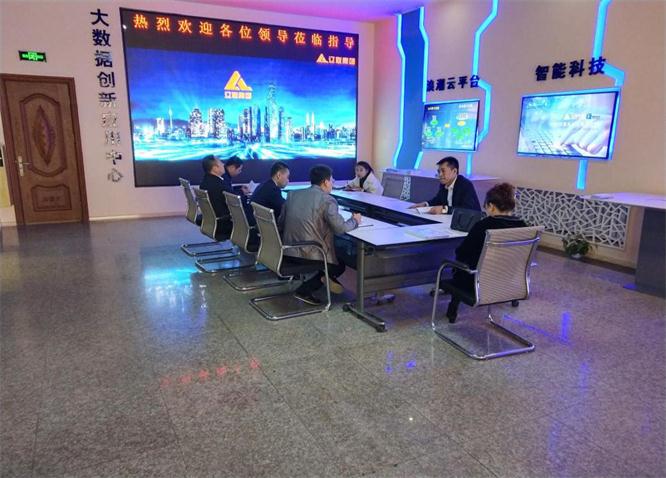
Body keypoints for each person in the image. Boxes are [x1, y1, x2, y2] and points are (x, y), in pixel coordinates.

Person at [278, 164, 362, 305]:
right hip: (309, 254)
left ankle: (325, 279)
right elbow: (340, 228)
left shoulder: (292, 195)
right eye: (332, 180)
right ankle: (306, 289)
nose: (333, 183)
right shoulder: (327, 200)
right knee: (338, 264)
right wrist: (355, 220)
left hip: (287, 250)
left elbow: (281, 223)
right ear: (325, 182)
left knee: (335, 251)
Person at [444, 183, 527, 323]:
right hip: (508, 282)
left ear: (491, 206)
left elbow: (462, 253)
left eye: (486, 207)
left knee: (460, 267)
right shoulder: (523, 227)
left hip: (477, 284)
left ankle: (452, 311)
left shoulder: (483, 226)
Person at [408, 156, 481, 214]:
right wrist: (425, 204)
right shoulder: (443, 184)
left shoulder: (465, 185)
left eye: (443, 171)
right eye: (439, 171)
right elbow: (438, 200)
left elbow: (467, 209)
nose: (440, 174)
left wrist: (444, 209)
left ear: (454, 171)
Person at [199, 155, 242, 235]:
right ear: (215, 168)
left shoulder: (206, 181)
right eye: (221, 163)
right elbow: (235, 200)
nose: (223, 164)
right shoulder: (219, 185)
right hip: (224, 223)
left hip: (212, 221)